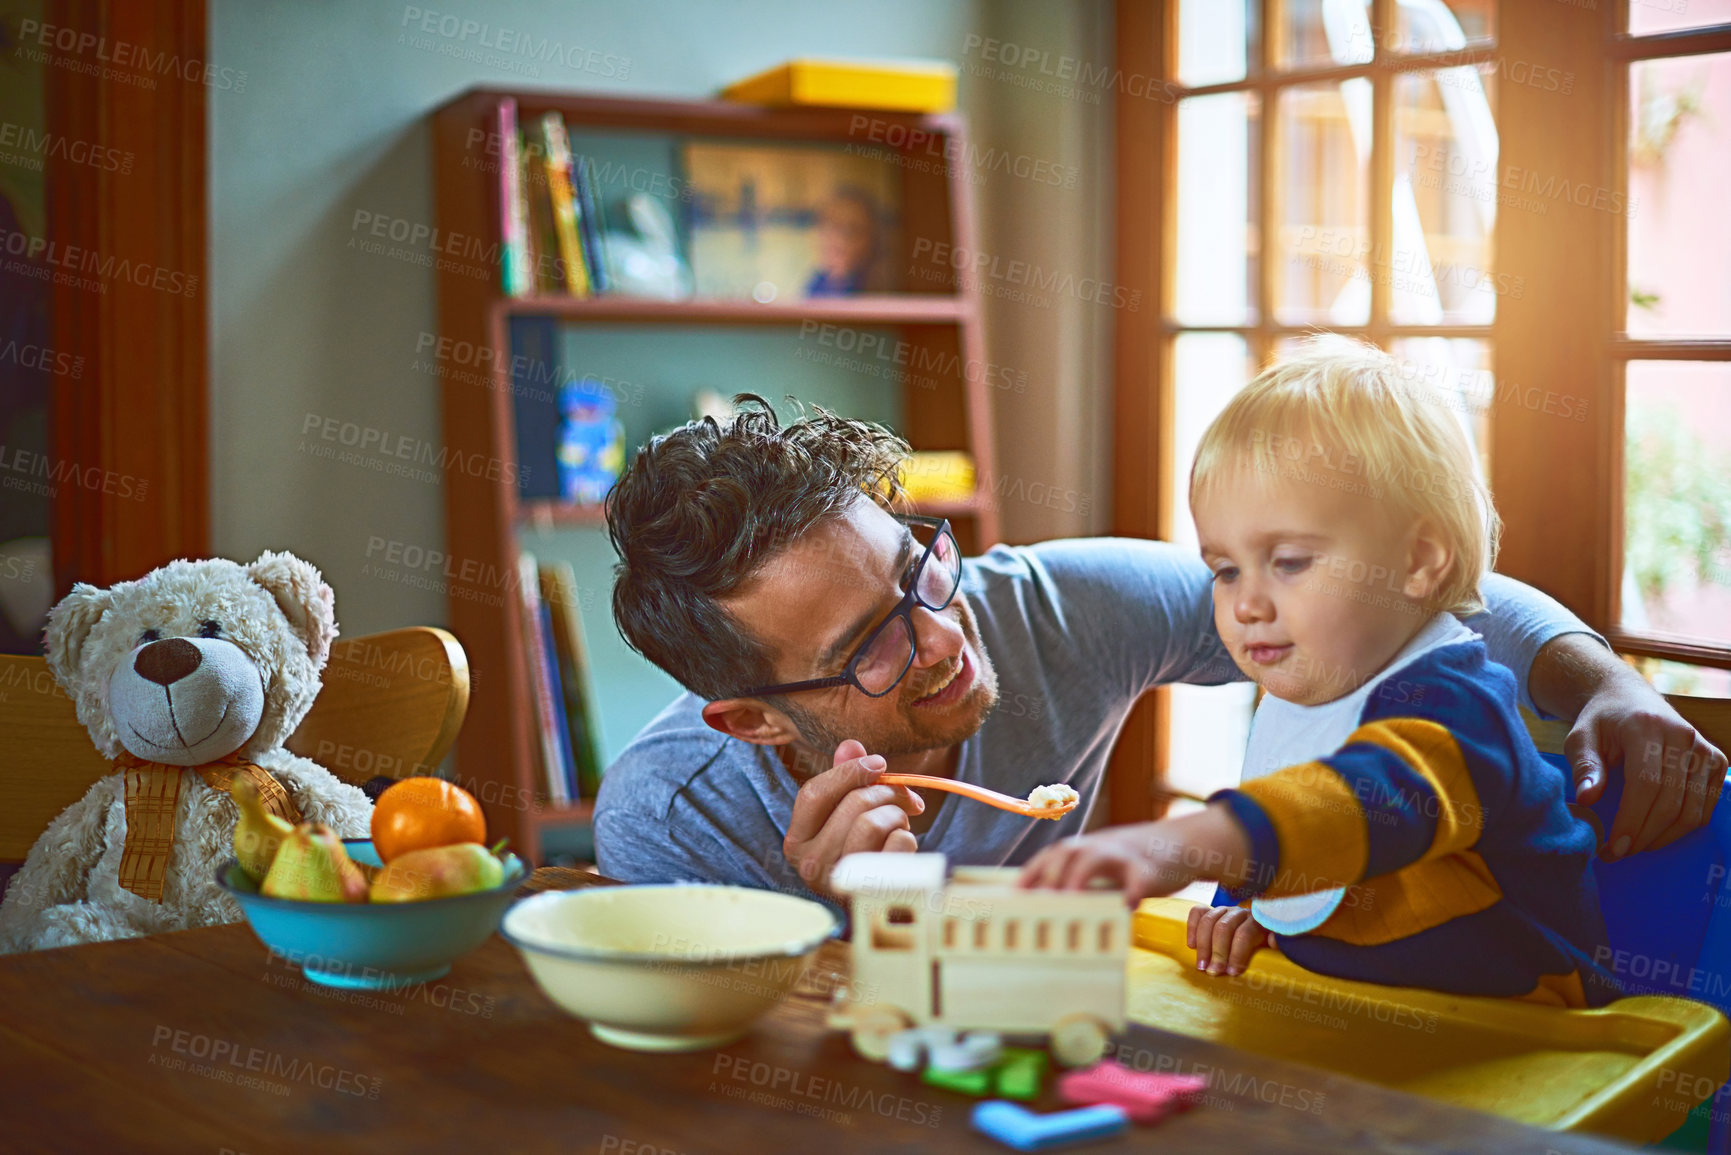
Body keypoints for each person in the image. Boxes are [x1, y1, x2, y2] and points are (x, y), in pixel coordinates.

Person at [592, 396, 1726, 922]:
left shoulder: (1050, 608)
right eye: (869, 647)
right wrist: (842, 918)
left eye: (917, 569)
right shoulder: (672, 820)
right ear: (753, 720)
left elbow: (1406, 597)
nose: (943, 636)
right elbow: (776, 1101)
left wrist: (1611, 685)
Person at [1020, 339, 1622, 1007]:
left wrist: (1185, 843)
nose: (1245, 603)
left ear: (1416, 560)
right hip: (1385, 1042)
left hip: (1535, 1044)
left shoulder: (1455, 705)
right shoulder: (1310, 689)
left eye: (1289, 561)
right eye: (1224, 570)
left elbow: (1358, 807)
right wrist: (1265, 919)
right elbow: (1331, 868)